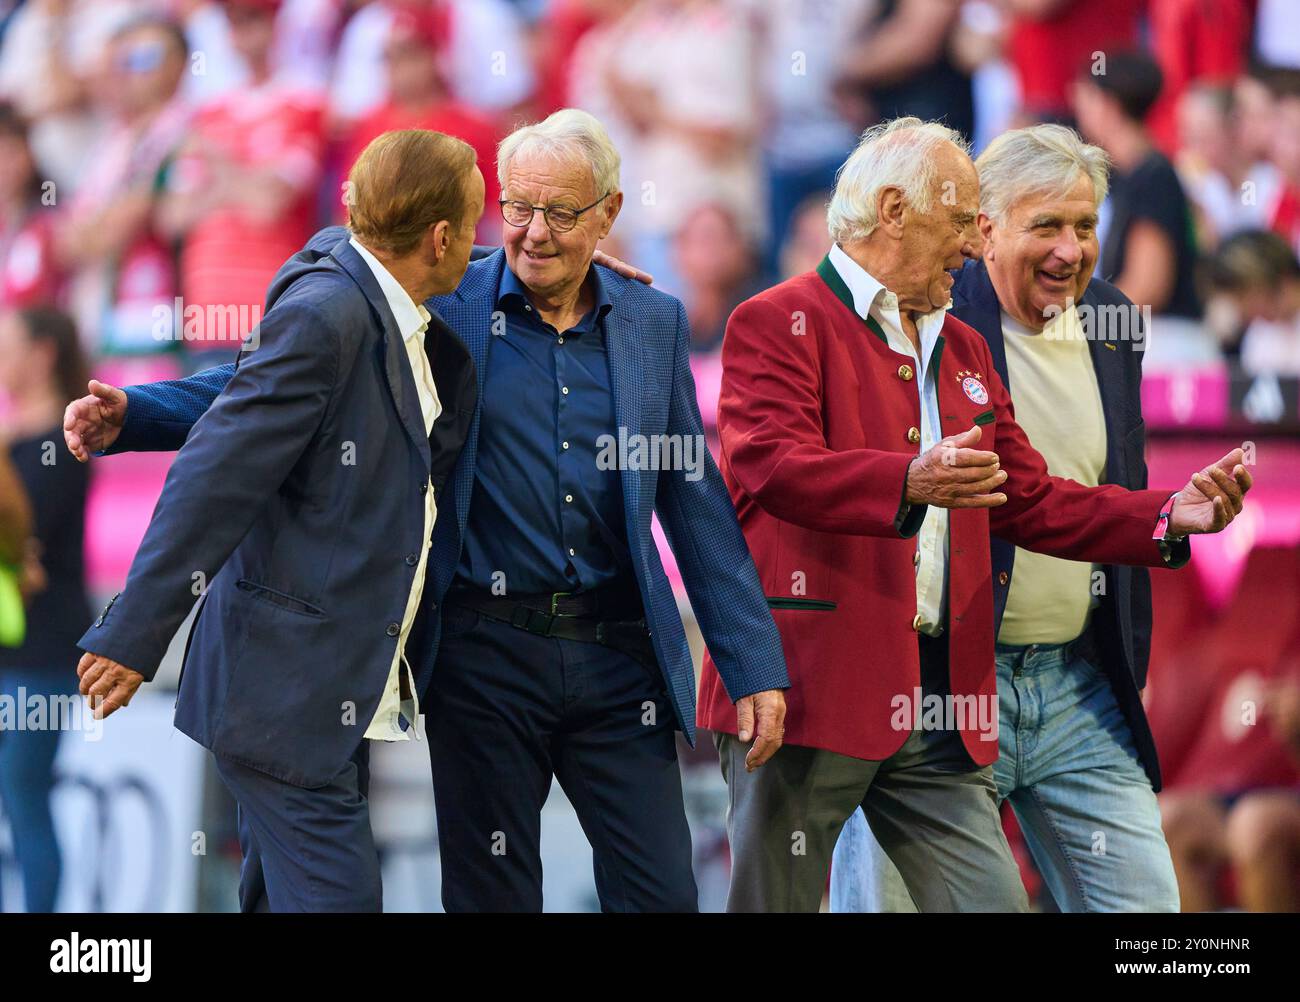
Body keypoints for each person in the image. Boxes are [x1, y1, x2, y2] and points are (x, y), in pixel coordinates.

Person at [65, 110, 790, 913]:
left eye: (562, 214)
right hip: (483, 659)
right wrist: (139, 414)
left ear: (609, 214)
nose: (534, 233)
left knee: (662, 897)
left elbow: (693, 501)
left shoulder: (651, 322)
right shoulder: (444, 299)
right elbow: (269, 384)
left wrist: (751, 662)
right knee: (490, 898)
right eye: (517, 207)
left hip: (619, 659)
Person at [697, 116, 1252, 913]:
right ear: (893, 212)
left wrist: (1167, 516)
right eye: (961, 222)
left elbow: (1025, 494)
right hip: (804, 687)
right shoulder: (777, 320)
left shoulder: (961, 344)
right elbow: (770, 466)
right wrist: (908, 480)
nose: (971, 245)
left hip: (940, 706)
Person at [72, 129, 486, 912]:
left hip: (326, 691)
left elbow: (246, 380)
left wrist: (142, 413)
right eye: (476, 222)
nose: (484, 237)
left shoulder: (364, 287)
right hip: (282, 697)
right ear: (439, 238)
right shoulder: (332, 314)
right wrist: (133, 632)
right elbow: (215, 476)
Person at [832, 124, 1183, 913]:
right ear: (984, 227)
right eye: (1047, 225)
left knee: (1149, 915)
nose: (1071, 248)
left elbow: (1097, 486)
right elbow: (1009, 496)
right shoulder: (927, 312)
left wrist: (1171, 516)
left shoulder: (1112, 321)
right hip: (941, 686)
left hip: (1077, 684)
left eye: (1086, 225)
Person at [0, 305, 91, 912]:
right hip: (14, 643)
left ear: (42, 353)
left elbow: (25, 538)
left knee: (24, 791)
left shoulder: (64, 440)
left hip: (46, 648)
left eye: (9, 343)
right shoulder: (16, 442)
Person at [1071, 50, 1201, 321]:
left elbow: (1148, 287)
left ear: (1109, 106)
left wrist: (1074, 321)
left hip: (1163, 340)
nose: (1077, 110)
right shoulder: (1118, 175)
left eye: (1086, 99)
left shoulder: (1154, 177)